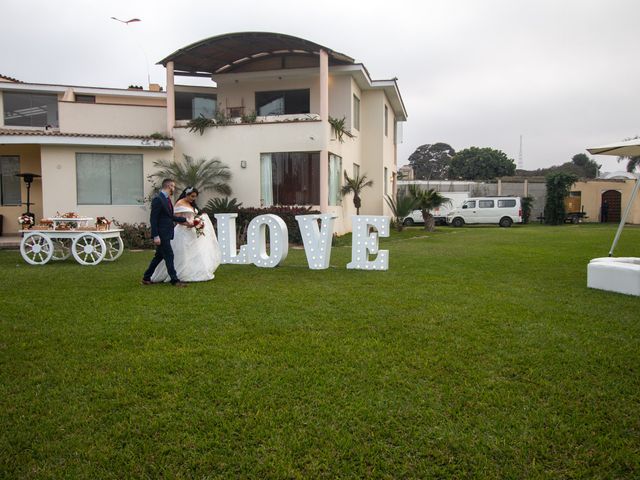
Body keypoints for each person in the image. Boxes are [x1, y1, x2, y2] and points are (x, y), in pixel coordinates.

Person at [149, 186, 221, 283]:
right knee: (180, 253)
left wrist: (198, 222)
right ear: (186, 194)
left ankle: (193, 271)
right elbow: (175, 218)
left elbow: (195, 216)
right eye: (192, 196)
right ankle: (177, 276)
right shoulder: (179, 203)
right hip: (183, 231)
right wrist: (188, 223)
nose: (193, 199)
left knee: (195, 253)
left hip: (192, 232)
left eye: (195, 197)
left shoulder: (191, 204)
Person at [142, 178, 191, 287]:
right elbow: (153, 219)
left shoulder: (167, 199)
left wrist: (184, 220)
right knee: (169, 255)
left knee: (159, 256)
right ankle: (175, 280)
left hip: (167, 233)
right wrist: (155, 235)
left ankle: (146, 277)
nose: (174, 189)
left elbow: (169, 217)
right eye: (173, 186)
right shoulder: (158, 199)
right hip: (162, 234)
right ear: (169, 186)